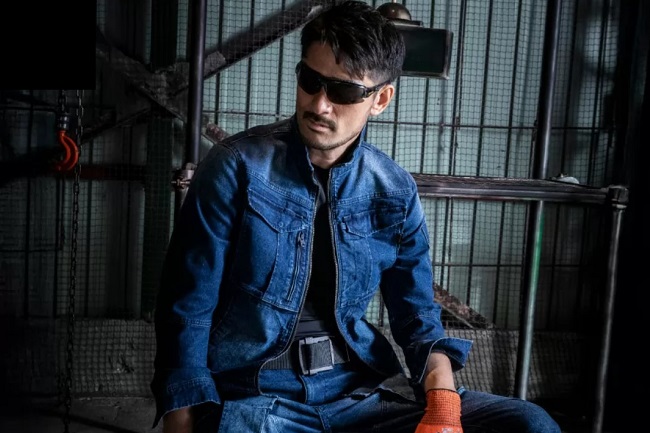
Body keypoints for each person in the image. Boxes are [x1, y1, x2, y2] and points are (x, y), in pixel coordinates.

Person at [150, 2, 562, 432]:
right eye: (310, 81)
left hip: (360, 395)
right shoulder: (236, 166)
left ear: (380, 99)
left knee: (528, 422)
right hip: (258, 400)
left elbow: (418, 318)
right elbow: (187, 303)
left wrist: (443, 404)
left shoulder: (394, 190)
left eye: (343, 92)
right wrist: (183, 416)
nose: (320, 104)